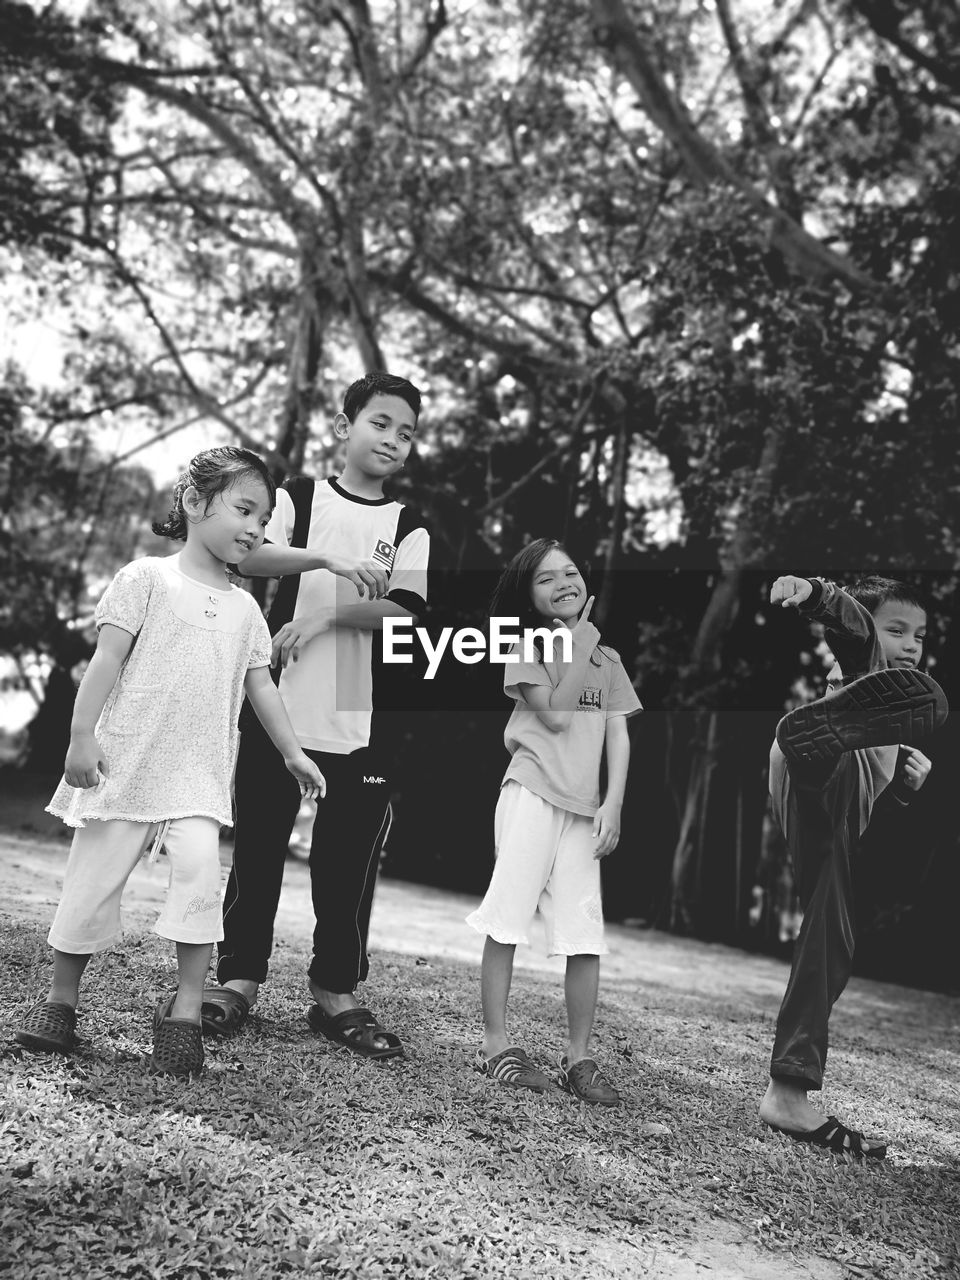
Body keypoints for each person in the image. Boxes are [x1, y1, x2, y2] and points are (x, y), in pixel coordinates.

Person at [15, 448, 324, 1079]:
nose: (255, 528)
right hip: (124, 765)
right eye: (243, 509)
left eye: (263, 519)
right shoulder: (145, 580)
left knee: (199, 881)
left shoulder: (247, 611)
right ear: (193, 502)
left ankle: (184, 1011)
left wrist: (294, 753)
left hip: (198, 775)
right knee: (90, 884)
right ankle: (61, 1002)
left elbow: (262, 688)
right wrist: (80, 736)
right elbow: (103, 664)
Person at [206, 372, 430, 1059]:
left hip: (363, 720)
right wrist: (328, 559)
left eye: (407, 432)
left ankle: (336, 993)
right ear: (345, 426)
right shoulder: (298, 497)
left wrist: (329, 614)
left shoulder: (410, 524)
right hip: (280, 710)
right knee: (261, 848)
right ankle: (238, 979)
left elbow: (407, 607)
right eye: (381, 423)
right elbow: (252, 552)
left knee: (347, 865)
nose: (393, 439)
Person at [759, 574, 948, 1157]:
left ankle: (788, 1088)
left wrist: (902, 790)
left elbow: (868, 806)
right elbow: (851, 625)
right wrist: (814, 593)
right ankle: (787, 1091)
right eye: (898, 630)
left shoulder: (894, 720)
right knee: (860, 680)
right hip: (818, 766)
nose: (911, 644)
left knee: (831, 936)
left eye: (919, 635)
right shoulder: (867, 666)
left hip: (825, 804)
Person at [466, 539, 642, 1104]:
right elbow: (557, 715)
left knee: (583, 934)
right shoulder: (529, 646)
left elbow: (618, 731)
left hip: (583, 810)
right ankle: (495, 1046)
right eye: (546, 579)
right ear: (530, 598)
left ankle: (579, 1058)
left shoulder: (609, 662)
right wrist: (582, 639)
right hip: (532, 794)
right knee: (507, 920)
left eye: (570, 572)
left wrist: (612, 803)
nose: (563, 583)